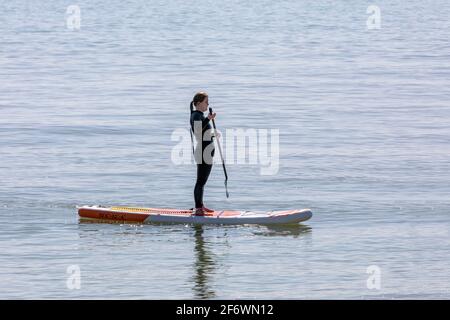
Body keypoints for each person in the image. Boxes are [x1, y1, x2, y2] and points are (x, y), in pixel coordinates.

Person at [190, 92, 216, 216]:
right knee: (200, 181)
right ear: (199, 103)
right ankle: (198, 208)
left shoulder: (199, 115)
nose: (208, 104)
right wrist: (208, 119)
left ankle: (200, 205)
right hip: (203, 152)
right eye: (206, 101)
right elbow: (198, 131)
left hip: (206, 150)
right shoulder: (196, 115)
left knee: (202, 181)